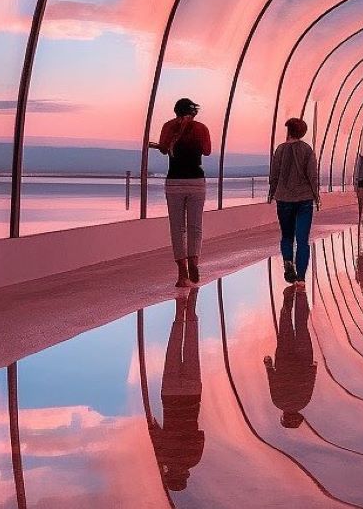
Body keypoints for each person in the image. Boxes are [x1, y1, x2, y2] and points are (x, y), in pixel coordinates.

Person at [149, 97, 212, 287]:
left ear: (175, 110)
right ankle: (194, 261)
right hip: (196, 181)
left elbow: (163, 149)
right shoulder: (201, 128)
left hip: (174, 181)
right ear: (193, 111)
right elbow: (207, 151)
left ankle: (181, 272)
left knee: (177, 228)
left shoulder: (168, 126)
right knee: (195, 227)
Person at [149, 288, 205, 492]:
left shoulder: (194, 458)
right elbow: (155, 431)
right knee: (173, 347)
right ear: (169, 474)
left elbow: (200, 435)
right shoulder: (164, 456)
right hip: (170, 396)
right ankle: (179, 308)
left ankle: (191, 307)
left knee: (191, 347)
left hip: (192, 396)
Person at [267, 117, 320, 287]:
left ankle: (288, 262)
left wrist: (272, 191)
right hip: (304, 199)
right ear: (302, 132)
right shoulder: (307, 150)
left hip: (283, 198)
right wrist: (316, 195)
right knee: (302, 239)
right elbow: (312, 175)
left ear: (288, 131)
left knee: (287, 236)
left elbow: (274, 174)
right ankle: (301, 278)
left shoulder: (280, 150)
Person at [265, 283, 317, 429]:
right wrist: (268, 365)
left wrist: (313, 367)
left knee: (302, 326)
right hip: (284, 361)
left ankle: (300, 293)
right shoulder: (278, 402)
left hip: (303, 360)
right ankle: (288, 299)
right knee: (285, 327)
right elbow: (273, 381)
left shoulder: (304, 402)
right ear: (285, 416)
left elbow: (309, 382)